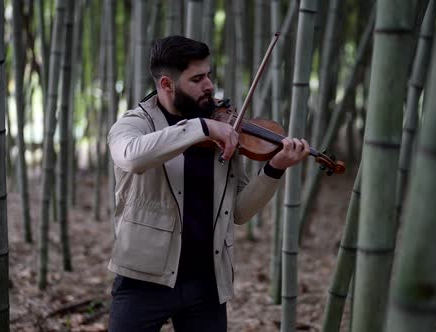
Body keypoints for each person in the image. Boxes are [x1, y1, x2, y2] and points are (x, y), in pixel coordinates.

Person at [107, 35, 310, 332]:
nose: (209, 86)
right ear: (166, 84)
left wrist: (274, 169)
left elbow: (239, 211)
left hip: (207, 282)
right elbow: (132, 157)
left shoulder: (225, 128)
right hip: (143, 279)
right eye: (197, 78)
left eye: (209, 75)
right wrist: (201, 127)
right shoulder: (135, 124)